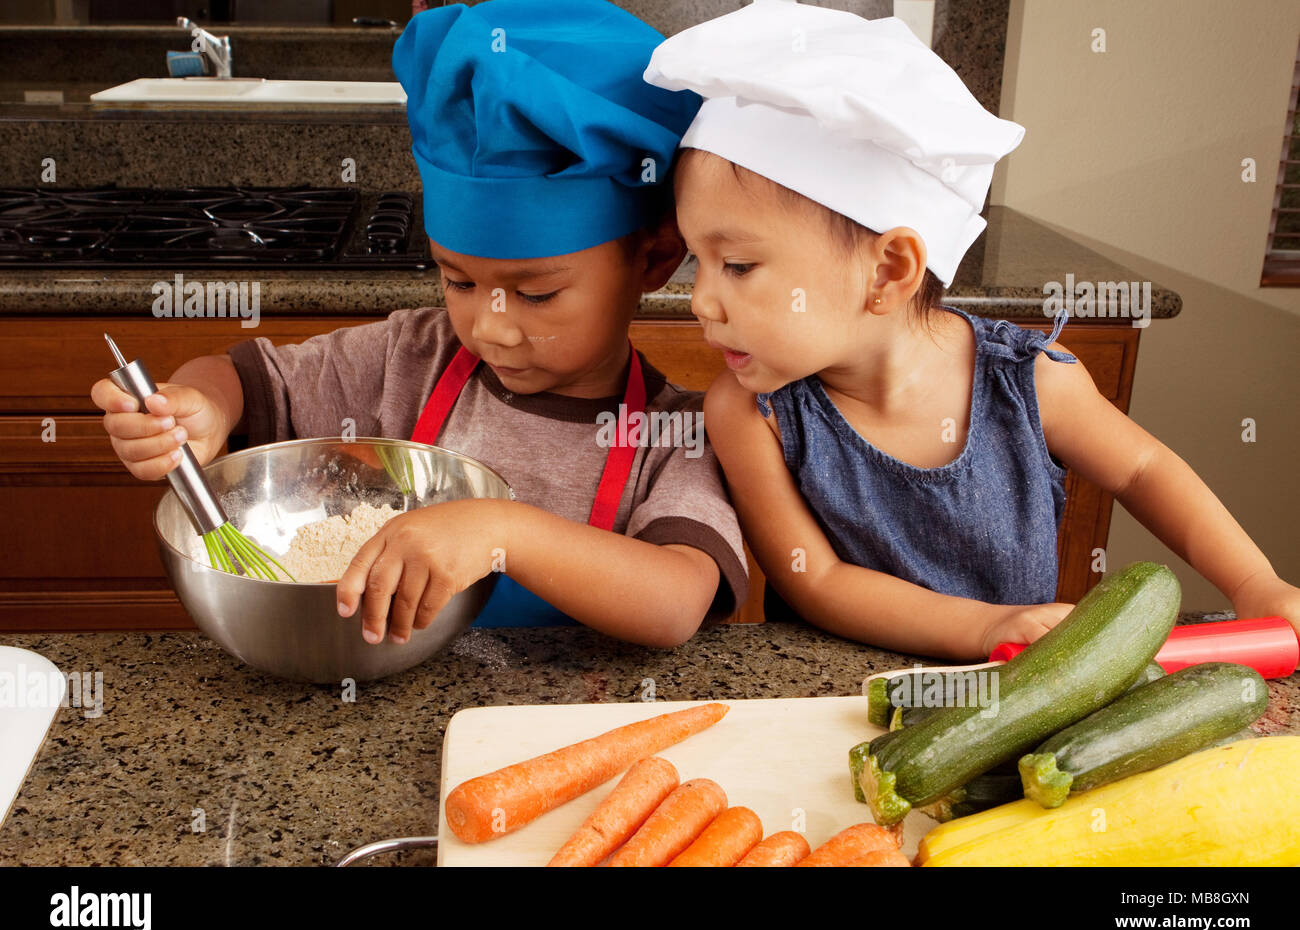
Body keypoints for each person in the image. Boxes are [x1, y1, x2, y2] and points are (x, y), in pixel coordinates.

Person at [644, 1, 1300, 660]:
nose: (701, 301)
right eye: (699, 262)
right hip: (831, 701)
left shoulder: (1031, 380)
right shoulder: (751, 413)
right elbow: (817, 579)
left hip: (1019, 693)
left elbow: (1143, 470)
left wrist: (1254, 582)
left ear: (890, 271)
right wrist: (983, 629)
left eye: (737, 265)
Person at [91, 0, 747, 648]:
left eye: (537, 294)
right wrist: (197, 408)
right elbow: (241, 378)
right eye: (459, 281)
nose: (489, 328)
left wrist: (499, 534)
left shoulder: (673, 435)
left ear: (654, 258)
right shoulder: (406, 359)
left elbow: (675, 603)